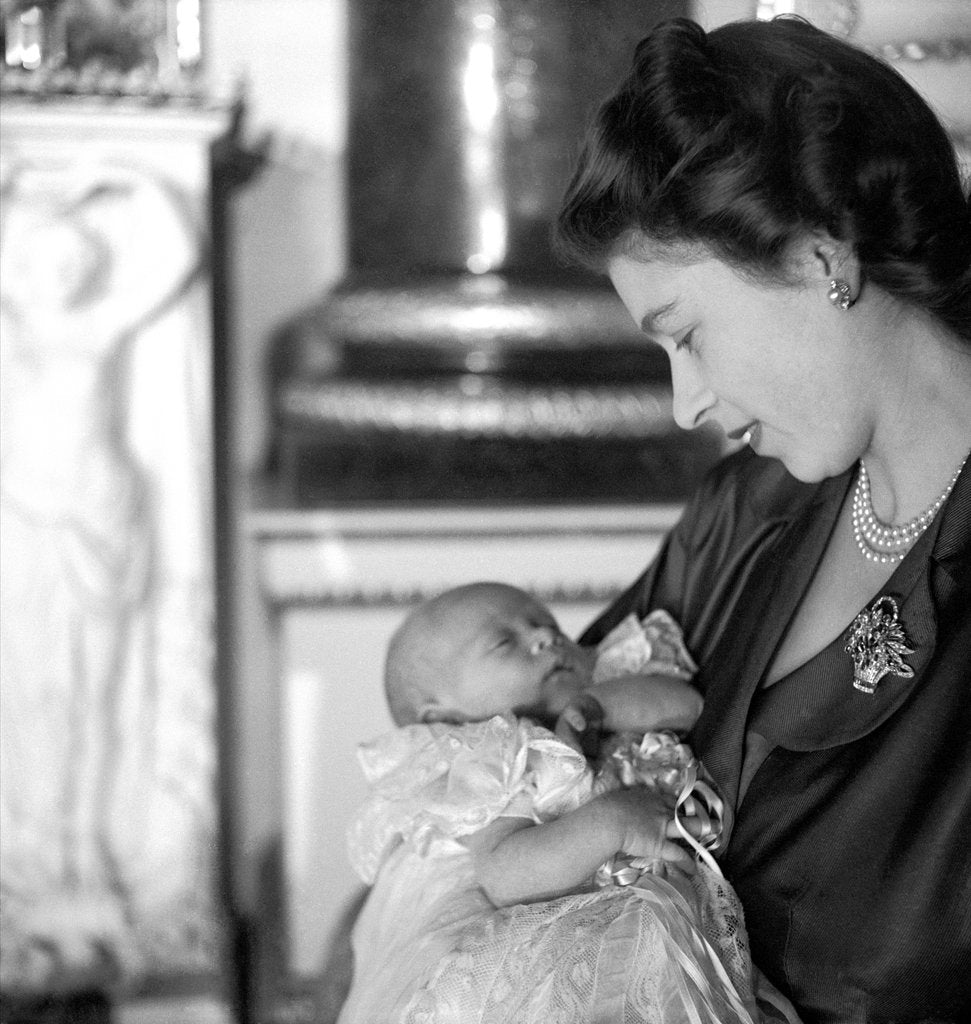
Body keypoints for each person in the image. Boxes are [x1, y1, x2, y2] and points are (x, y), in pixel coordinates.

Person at [554, 15, 971, 1023]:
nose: (682, 404)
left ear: (818, 252)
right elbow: (544, 741)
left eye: (684, 334)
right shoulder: (743, 510)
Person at [338, 581, 770, 1024]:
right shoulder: (496, 757)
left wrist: (598, 704)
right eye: (506, 642)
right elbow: (506, 874)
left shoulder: (609, 680)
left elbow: (689, 705)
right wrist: (611, 825)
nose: (545, 638)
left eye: (548, 626)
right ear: (446, 716)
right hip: (584, 935)